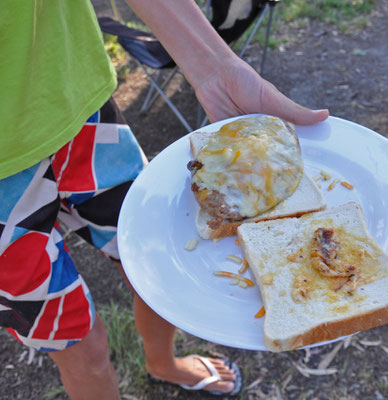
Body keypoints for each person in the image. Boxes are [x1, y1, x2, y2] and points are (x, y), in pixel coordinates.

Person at [0, 0, 328, 398]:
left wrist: (215, 66)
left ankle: (162, 364)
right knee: (81, 350)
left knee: (155, 268)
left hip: (77, 106)